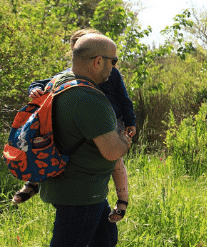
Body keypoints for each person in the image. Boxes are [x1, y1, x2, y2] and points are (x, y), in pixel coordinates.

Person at [16, 29, 137, 224]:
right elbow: (42, 83)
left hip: (110, 121)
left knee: (117, 162)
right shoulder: (69, 78)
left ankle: (122, 199)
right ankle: (33, 182)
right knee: (47, 146)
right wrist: (34, 89)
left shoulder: (111, 74)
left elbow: (124, 99)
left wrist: (130, 122)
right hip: (80, 185)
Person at [40, 33, 132, 246]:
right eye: (113, 61)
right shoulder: (87, 98)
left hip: (81, 188)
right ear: (98, 61)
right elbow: (112, 151)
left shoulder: (61, 81)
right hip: (80, 193)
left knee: (106, 239)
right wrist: (124, 141)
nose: (114, 67)